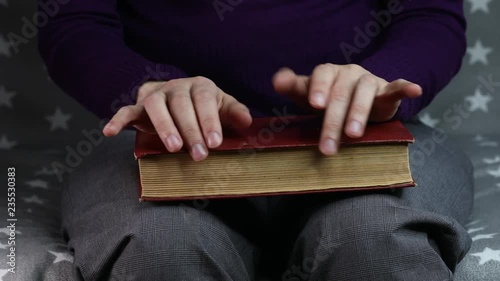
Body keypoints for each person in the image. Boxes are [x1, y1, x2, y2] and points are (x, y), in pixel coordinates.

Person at [38, 0, 474, 280]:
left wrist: (379, 81)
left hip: (365, 136)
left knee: (378, 239)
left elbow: (429, 15)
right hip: (157, 137)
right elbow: (74, 21)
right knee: (159, 249)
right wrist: (148, 87)